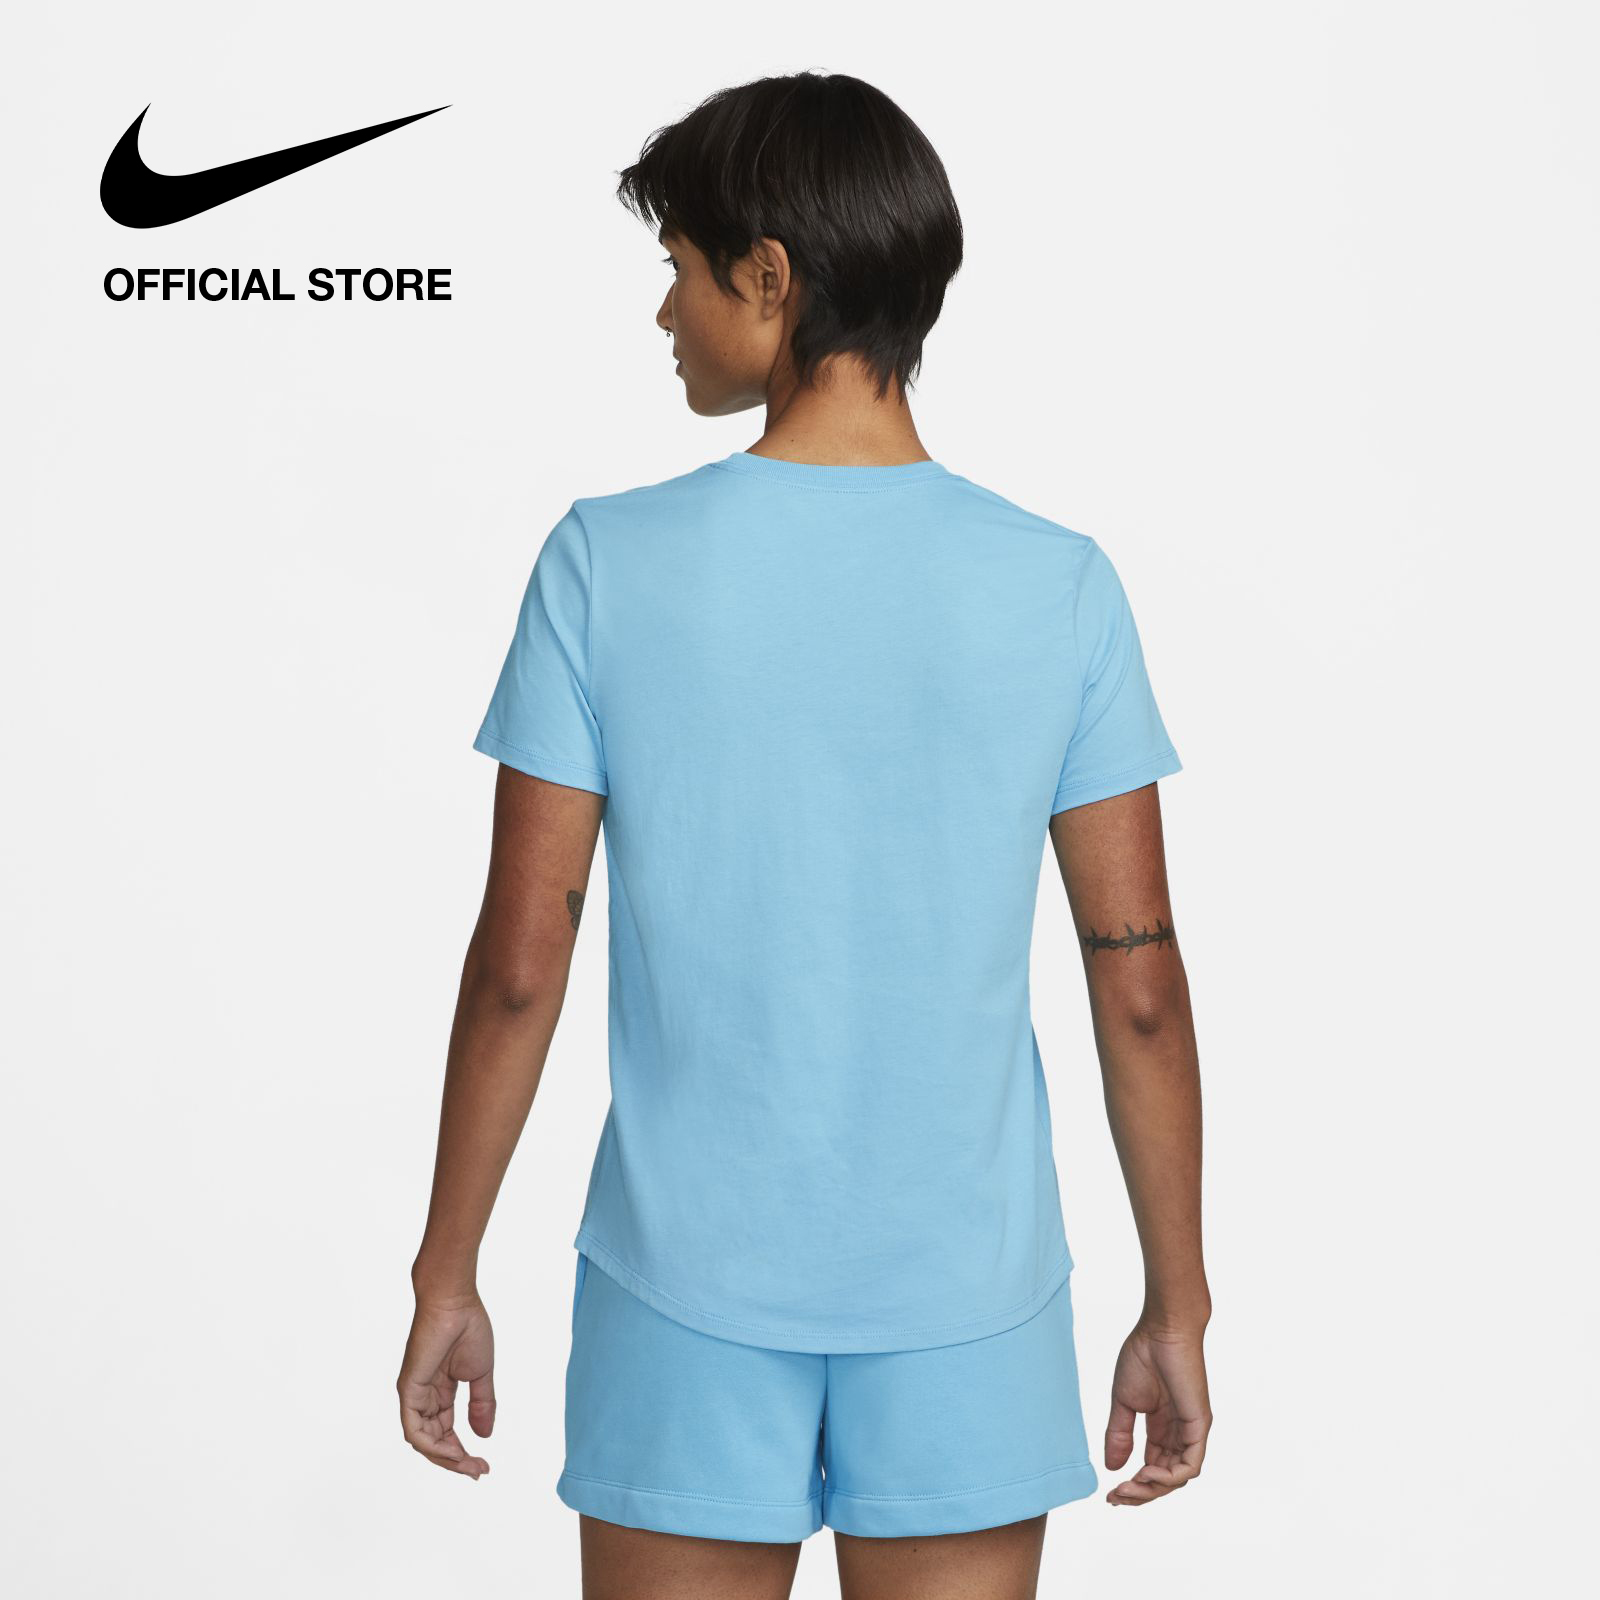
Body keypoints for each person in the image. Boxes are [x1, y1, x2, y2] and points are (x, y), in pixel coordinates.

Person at [397, 71, 1212, 1600]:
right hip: (970, 1302)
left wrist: (448, 1268)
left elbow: (519, 965)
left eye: (680, 271)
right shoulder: (1058, 586)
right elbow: (1142, 985)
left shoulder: (604, 565)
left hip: (681, 1292)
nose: (665, 314)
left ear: (769, 277)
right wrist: (1180, 1302)